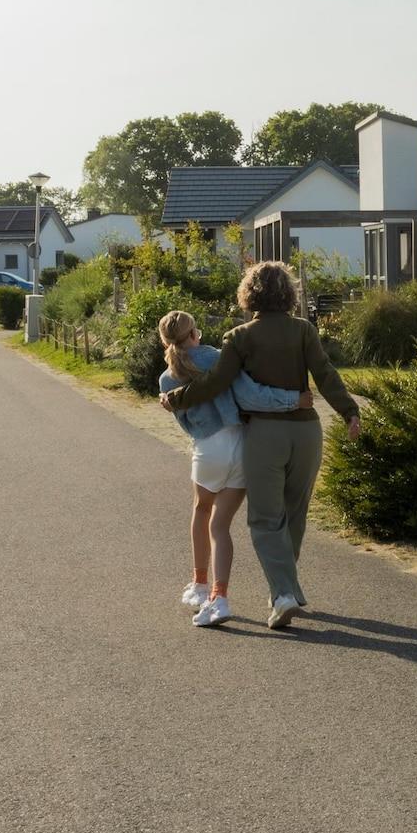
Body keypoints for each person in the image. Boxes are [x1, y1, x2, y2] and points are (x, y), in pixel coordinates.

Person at [159, 261, 360, 631]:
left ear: (248, 294)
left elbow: (217, 382)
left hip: (266, 434)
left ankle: (283, 594)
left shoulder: (239, 337)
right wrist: (349, 411)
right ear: (288, 292)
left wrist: (176, 398)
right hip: (307, 432)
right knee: (295, 513)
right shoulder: (304, 330)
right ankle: (286, 588)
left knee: (266, 519)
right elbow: (325, 373)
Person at [157, 310, 315, 628]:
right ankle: (219, 597)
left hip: (208, 448)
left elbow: (186, 424)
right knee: (220, 525)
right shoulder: (219, 357)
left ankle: (200, 584)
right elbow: (250, 394)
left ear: (166, 341)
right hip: (242, 445)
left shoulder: (167, 378)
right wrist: (293, 400)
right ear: (194, 334)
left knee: (201, 511)